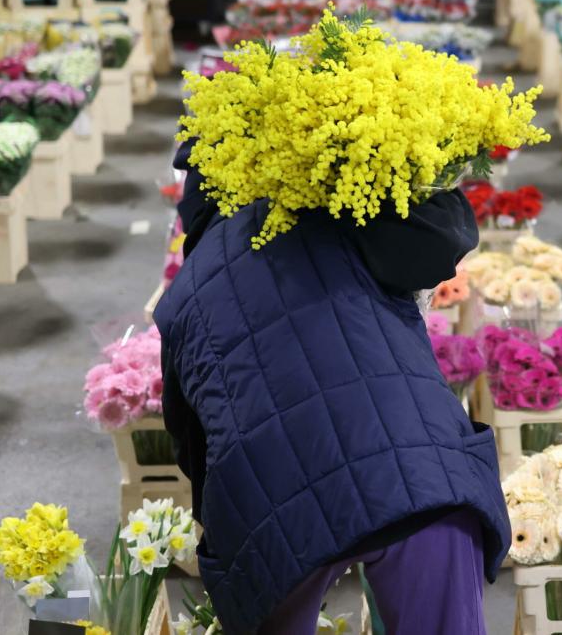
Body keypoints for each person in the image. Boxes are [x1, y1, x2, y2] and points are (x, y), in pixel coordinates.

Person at [155, 140, 511, 635]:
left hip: (273, 508)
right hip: (421, 475)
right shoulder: (345, 210)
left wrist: (226, 548)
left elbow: (191, 446)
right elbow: (437, 241)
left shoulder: (183, 296)